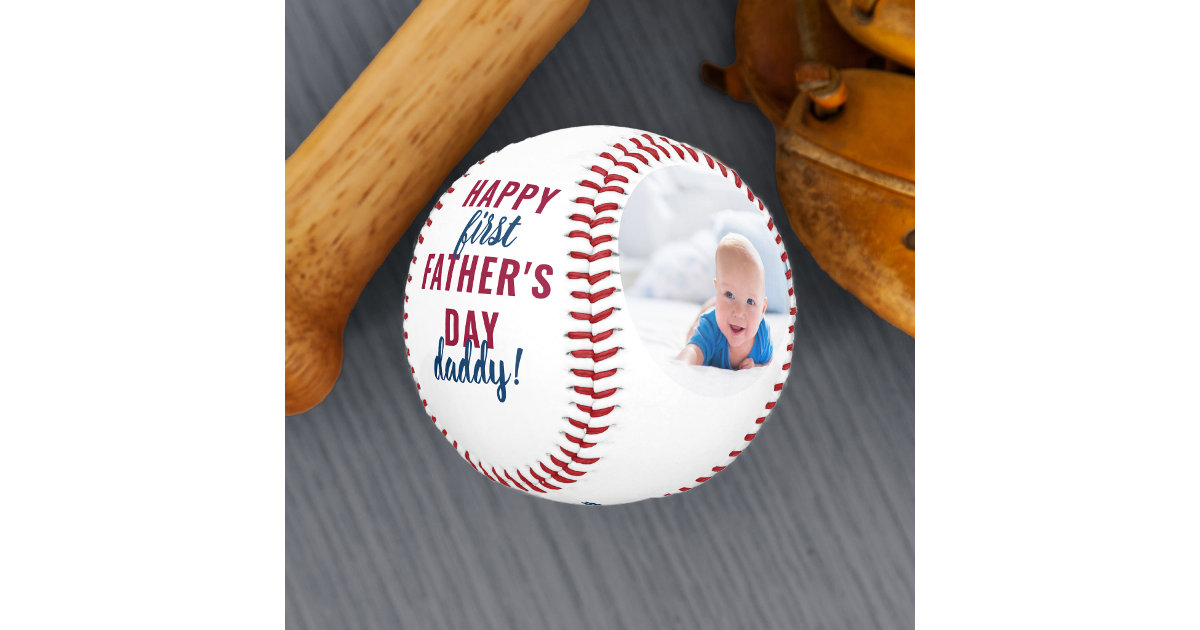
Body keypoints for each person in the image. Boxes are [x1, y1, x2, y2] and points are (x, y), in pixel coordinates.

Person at [676, 233, 772, 370]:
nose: (739, 312)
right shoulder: (710, 327)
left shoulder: (762, 335)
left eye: (750, 301)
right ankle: (710, 306)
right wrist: (680, 365)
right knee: (693, 333)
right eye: (729, 294)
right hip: (710, 317)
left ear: (762, 310)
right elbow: (693, 351)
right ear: (717, 288)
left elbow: (769, 362)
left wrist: (756, 365)